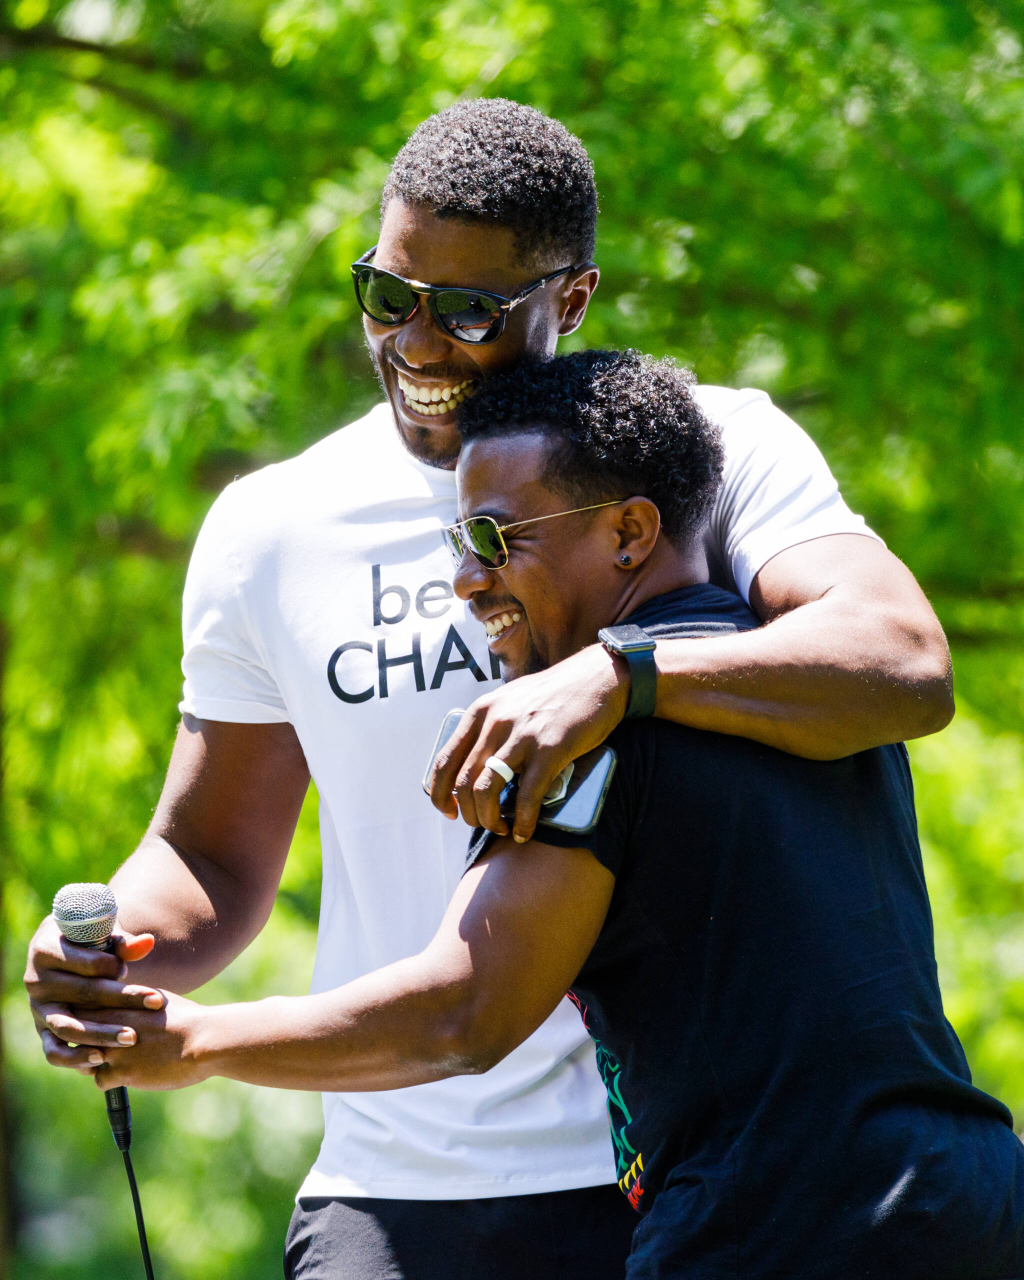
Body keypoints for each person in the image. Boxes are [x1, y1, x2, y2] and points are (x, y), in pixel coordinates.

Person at [24, 100, 953, 1279]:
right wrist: (108, 957)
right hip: (395, 1188)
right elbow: (208, 858)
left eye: (470, 311)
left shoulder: (698, 453)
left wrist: (616, 677)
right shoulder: (270, 526)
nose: (419, 345)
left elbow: (898, 659)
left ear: (570, 297)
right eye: (389, 297)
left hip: (667, 1180)